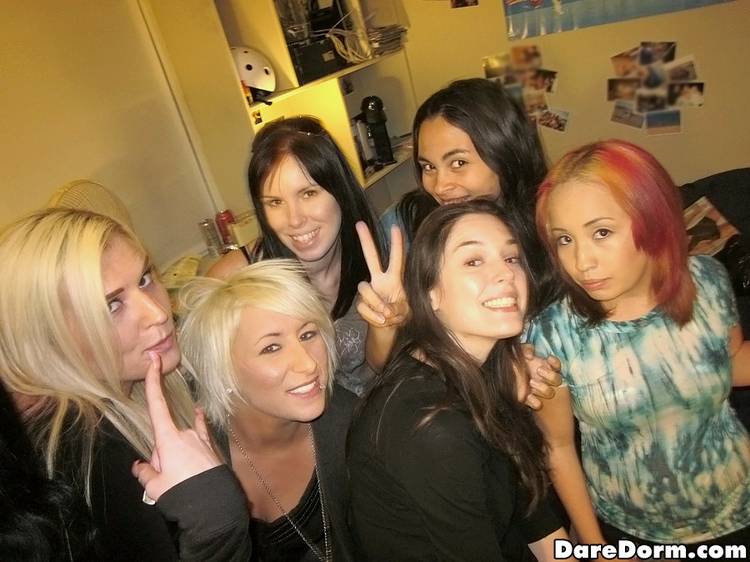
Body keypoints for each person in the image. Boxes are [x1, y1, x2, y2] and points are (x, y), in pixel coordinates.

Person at [528, 140, 750, 553]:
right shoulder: (552, 335)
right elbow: (557, 447)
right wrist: (595, 545)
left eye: (601, 232)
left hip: (738, 508)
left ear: (653, 220)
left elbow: (732, 362)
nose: (582, 262)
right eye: (564, 239)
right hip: (631, 530)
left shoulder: (706, 280)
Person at [0, 208, 251, 561]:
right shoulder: (95, 455)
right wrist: (216, 524)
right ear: (50, 338)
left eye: (145, 278)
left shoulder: (135, 393)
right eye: (112, 305)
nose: (158, 314)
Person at [348, 200, 568, 561]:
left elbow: (532, 510)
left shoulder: (488, 369)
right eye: (473, 261)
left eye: (511, 258)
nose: (505, 273)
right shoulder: (431, 425)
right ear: (429, 292)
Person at [178, 260, 358, 561]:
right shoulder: (191, 455)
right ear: (223, 371)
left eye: (308, 334)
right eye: (271, 348)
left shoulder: (353, 429)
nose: (308, 364)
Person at [207, 116, 390, 394]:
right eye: (275, 202)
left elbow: (380, 370)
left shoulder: (377, 261)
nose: (294, 219)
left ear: (340, 191)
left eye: (308, 194)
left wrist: (389, 326)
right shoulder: (232, 279)